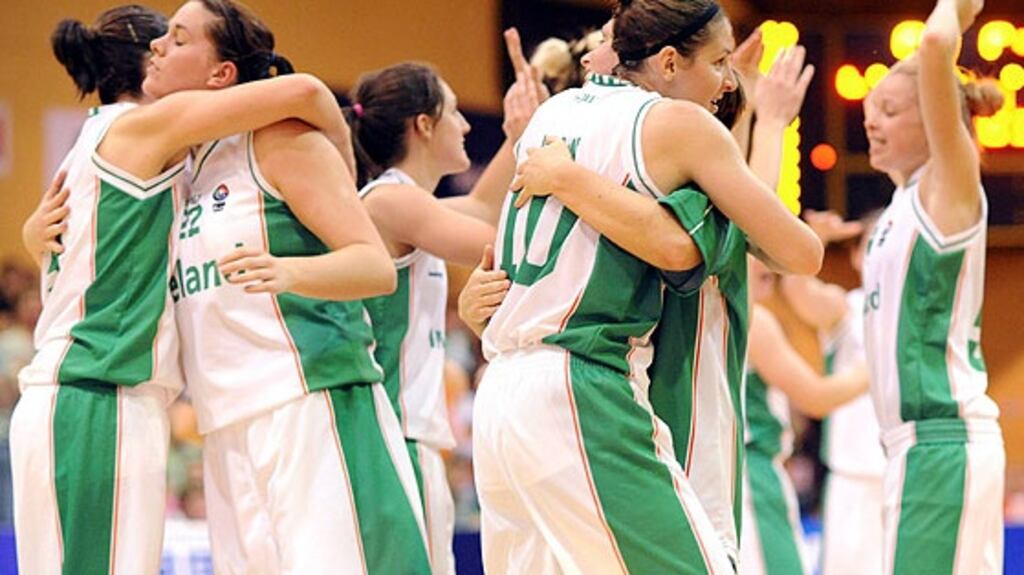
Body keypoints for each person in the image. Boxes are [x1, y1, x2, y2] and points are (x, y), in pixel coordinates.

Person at [472, 0, 822, 571]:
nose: (727, 80)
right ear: (664, 59)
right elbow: (782, 249)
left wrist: (568, 177)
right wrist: (767, 119)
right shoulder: (678, 128)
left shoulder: (552, 116)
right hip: (583, 385)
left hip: (502, 392)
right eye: (718, 62)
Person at [11, 5, 354, 573]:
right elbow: (308, 93)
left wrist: (29, 239)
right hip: (98, 399)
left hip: (71, 398)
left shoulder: (92, 141)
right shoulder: (146, 127)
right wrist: (343, 157)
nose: (163, 52)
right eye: (162, 42)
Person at [146, 1, 428, 573]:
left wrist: (292, 272)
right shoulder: (186, 169)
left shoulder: (280, 140)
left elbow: (373, 266)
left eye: (178, 39)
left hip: (312, 401)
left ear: (220, 74)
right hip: (226, 425)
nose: (156, 46)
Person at [348, 38, 542, 573]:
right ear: (424, 125)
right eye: (454, 112)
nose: (464, 125)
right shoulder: (388, 199)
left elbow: (481, 204)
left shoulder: (406, 203)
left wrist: (522, 132)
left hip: (413, 433)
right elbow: (498, 234)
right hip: (392, 430)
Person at [860, 0, 1004, 572]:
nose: (871, 121)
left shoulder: (947, 186)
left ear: (935, 115)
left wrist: (959, 10)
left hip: (942, 441)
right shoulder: (899, 207)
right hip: (912, 448)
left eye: (890, 110)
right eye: (871, 109)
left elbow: (937, 46)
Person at [739, 256, 869, 575]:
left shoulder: (693, 313)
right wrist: (876, 364)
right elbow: (816, 397)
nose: (769, 259)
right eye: (755, 248)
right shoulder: (752, 319)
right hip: (750, 475)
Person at [779, 210, 887, 575]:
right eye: (872, 243)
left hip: (912, 478)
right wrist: (817, 237)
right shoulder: (848, 308)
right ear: (856, 255)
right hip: (855, 481)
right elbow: (796, 288)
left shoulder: (923, 312)